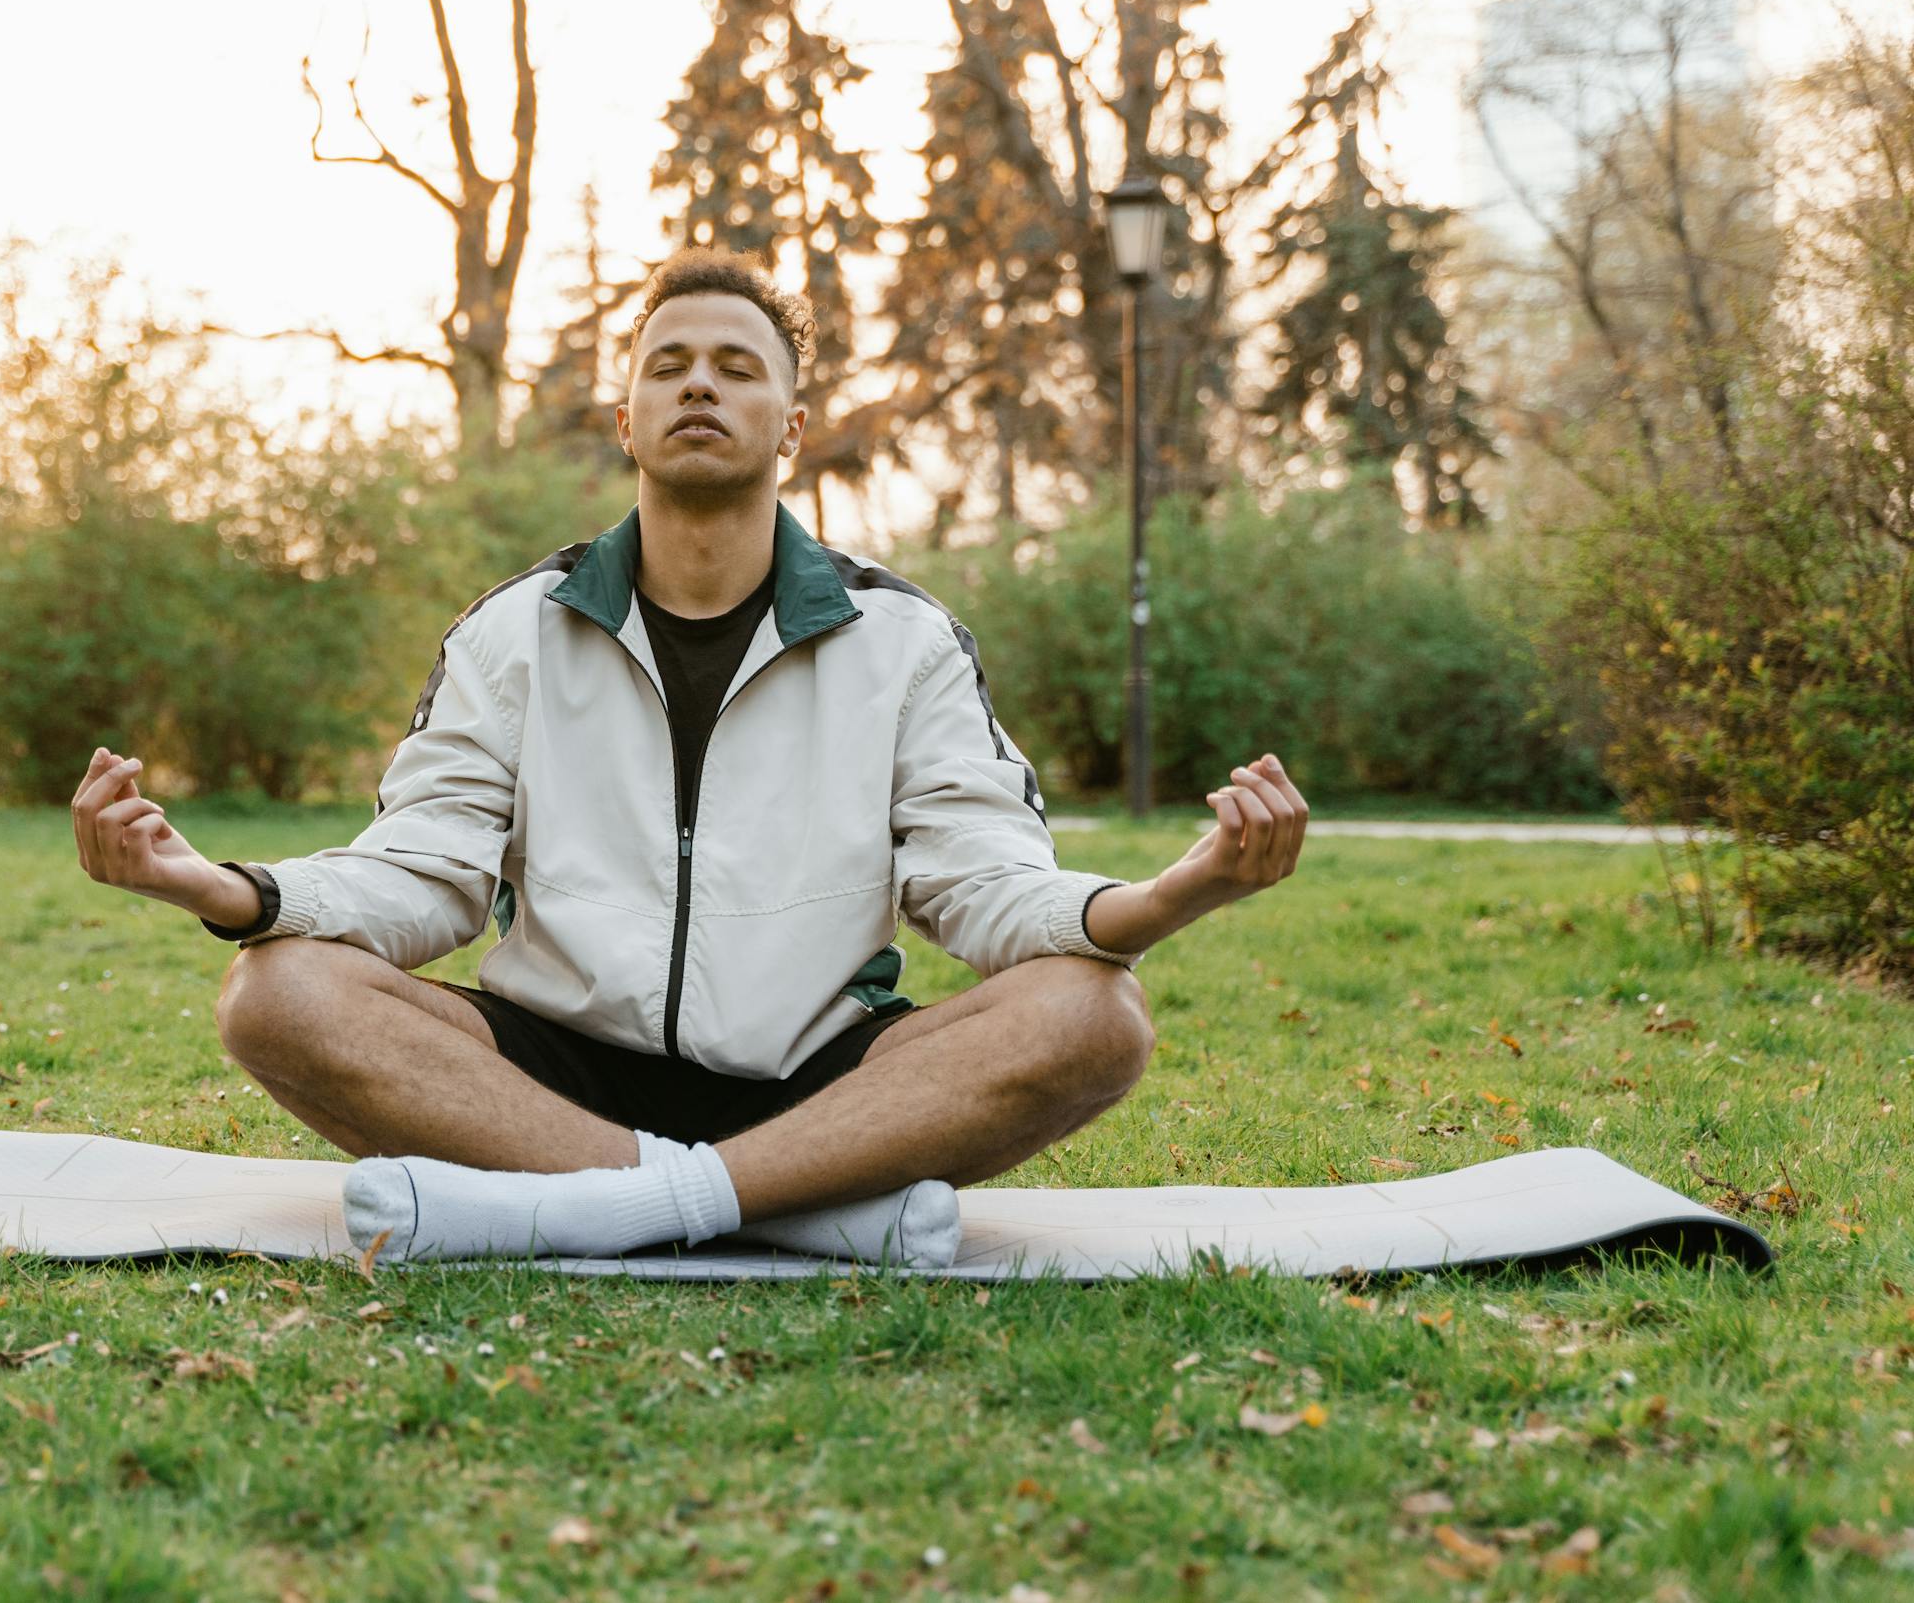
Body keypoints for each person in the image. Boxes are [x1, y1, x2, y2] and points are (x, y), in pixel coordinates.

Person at [70, 247, 1309, 1265]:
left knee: (1095, 1018)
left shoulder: (905, 644)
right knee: (277, 993)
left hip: (821, 1081)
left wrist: (1168, 897)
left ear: (793, 423)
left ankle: (622, 1207)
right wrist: (223, 891)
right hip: (547, 1085)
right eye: (668, 366)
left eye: (735, 367)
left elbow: (981, 885)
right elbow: (424, 874)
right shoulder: (517, 631)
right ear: (626, 418)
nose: (698, 387)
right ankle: (784, 1210)